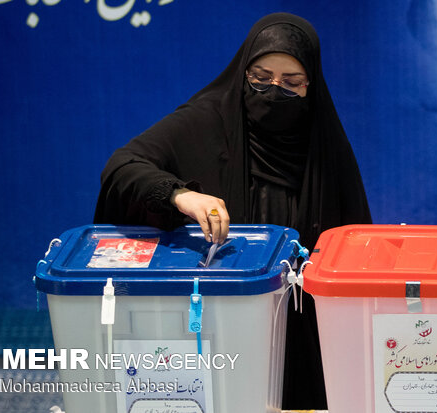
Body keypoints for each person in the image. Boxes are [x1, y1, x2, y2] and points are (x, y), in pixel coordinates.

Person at [94, 12, 372, 408]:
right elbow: (122, 167)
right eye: (260, 79)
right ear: (243, 72)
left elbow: (352, 248)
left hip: (300, 329)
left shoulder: (325, 147)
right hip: (219, 320)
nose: (274, 92)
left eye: (291, 84)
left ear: (311, 85)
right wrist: (181, 195)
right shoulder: (208, 120)